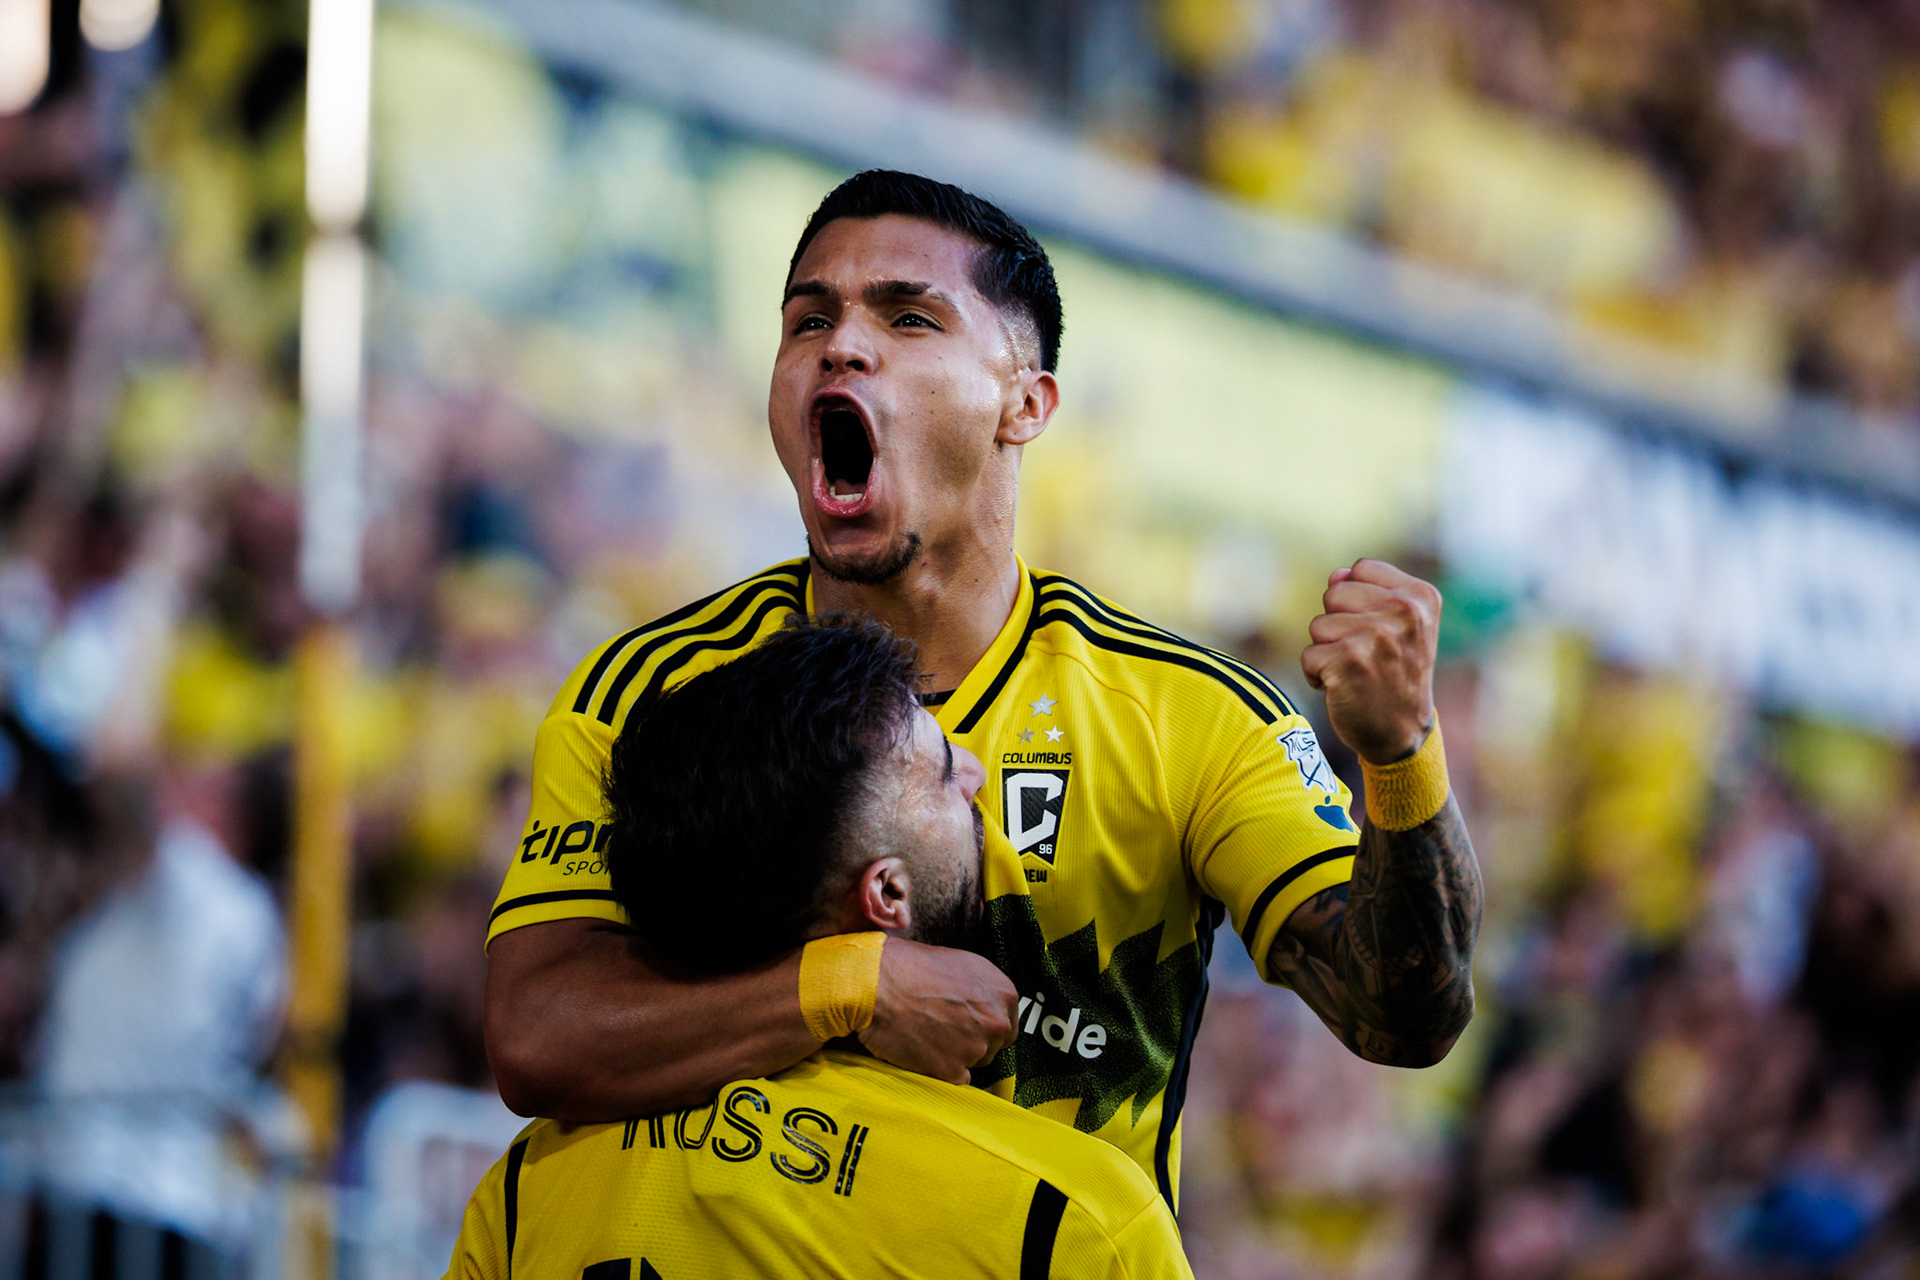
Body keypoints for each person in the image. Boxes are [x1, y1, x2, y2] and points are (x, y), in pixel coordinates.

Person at [483, 170, 1483, 1208]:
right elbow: (537, 1036)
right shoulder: (645, 693)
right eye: (808, 320)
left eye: (909, 318)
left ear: (1025, 403)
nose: (841, 344)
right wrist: (849, 986)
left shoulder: (1193, 718)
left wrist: (1401, 756)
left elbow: (1403, 1016)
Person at [448, 618, 1193, 1279]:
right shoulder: (1077, 1223)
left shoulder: (521, 1197)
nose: (974, 771)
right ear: (887, 894)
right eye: (942, 772)